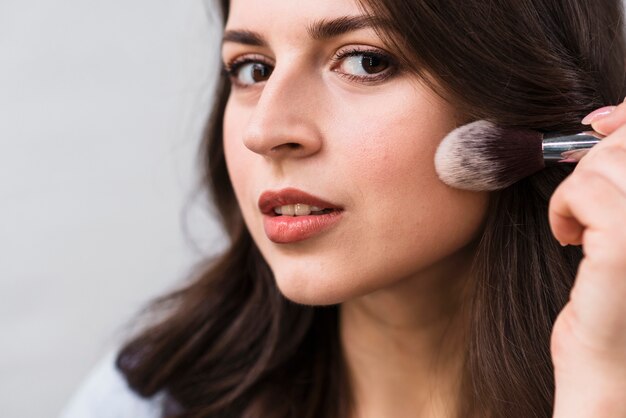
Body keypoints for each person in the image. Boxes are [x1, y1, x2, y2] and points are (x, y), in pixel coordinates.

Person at [61, 0, 626, 417]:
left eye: (364, 62)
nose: (266, 131)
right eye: (252, 68)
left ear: (523, 93)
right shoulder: (147, 401)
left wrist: (599, 385)